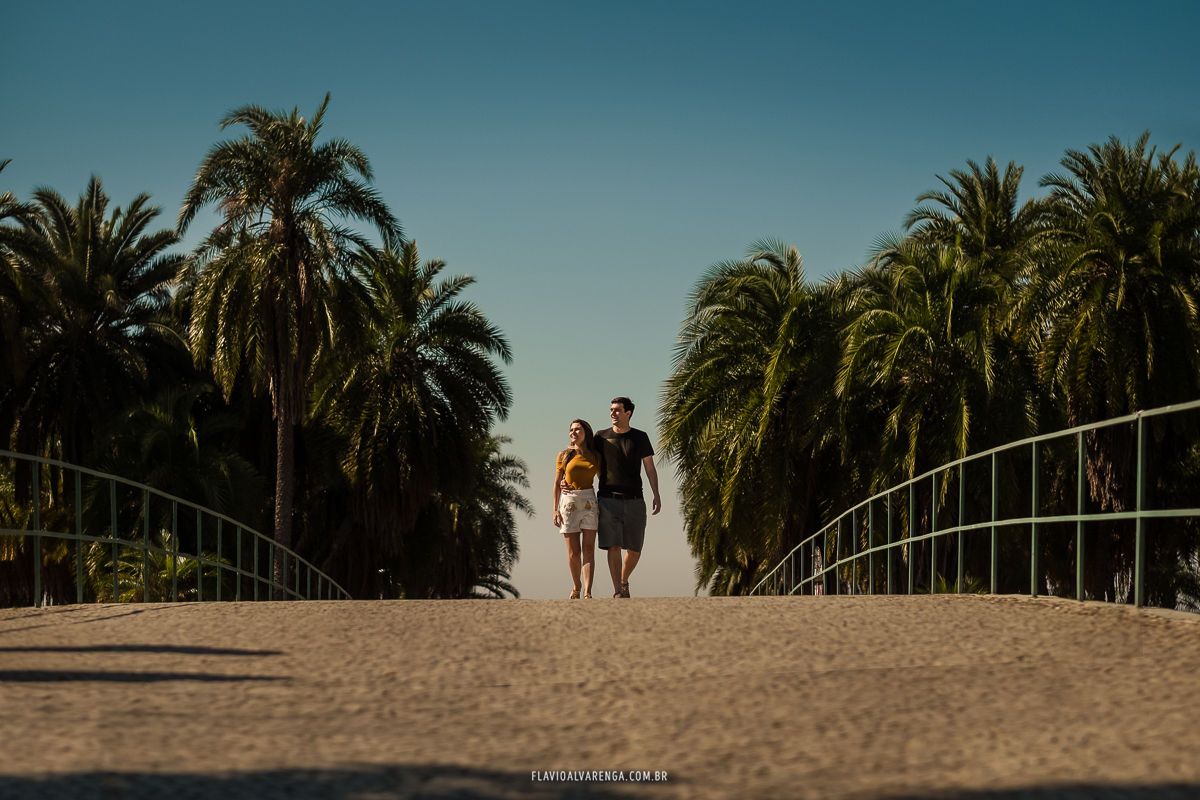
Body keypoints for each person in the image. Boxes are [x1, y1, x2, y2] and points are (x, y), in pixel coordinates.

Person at [590, 396, 660, 598]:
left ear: (628, 413)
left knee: (635, 548)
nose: (612, 413)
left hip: (635, 500)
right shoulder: (600, 437)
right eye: (611, 409)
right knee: (613, 545)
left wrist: (656, 493)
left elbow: (650, 469)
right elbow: (590, 462)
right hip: (608, 500)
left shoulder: (640, 437)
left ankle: (623, 580)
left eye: (617, 410)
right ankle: (618, 592)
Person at [552, 419, 601, 598]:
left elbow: (603, 479)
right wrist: (555, 509)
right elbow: (557, 483)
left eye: (577, 429)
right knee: (574, 553)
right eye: (571, 430)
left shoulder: (596, 455)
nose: (573, 432)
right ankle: (577, 585)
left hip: (589, 501)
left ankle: (588, 592)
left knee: (589, 549)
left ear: (586, 432)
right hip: (569, 503)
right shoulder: (564, 455)